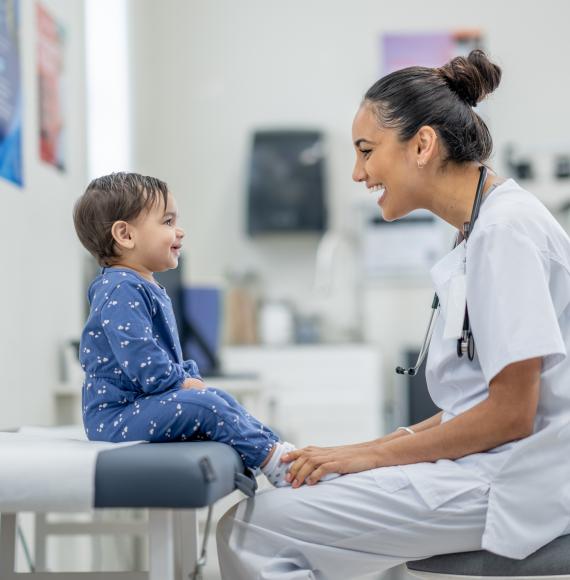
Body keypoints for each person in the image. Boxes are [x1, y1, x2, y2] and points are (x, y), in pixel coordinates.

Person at [216, 49, 570, 579]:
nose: (358, 173)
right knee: (296, 504)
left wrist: (373, 456)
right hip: (495, 466)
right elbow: (473, 401)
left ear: (422, 145)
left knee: (253, 529)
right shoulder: (482, 227)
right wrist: (363, 449)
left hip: (517, 478)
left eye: (366, 151)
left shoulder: (505, 232)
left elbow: (511, 414)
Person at [73, 172, 337, 488]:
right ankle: (276, 463)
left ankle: (279, 452)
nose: (179, 231)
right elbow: (141, 358)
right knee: (208, 406)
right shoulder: (120, 289)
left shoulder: (141, 284)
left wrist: (186, 378)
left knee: (218, 398)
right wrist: (180, 382)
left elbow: (160, 355)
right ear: (126, 235)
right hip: (116, 417)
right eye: (167, 222)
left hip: (136, 408)